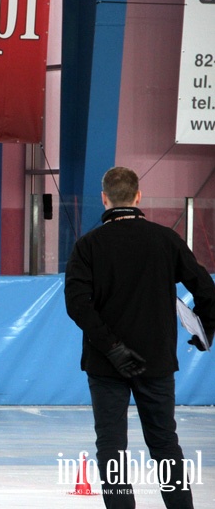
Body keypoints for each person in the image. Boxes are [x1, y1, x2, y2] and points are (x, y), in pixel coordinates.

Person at [64, 166, 215, 509]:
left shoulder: (88, 246)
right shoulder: (166, 239)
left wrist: (113, 348)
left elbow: (77, 306)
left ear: (104, 198)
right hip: (157, 360)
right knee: (164, 443)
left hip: (106, 365)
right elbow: (206, 291)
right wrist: (205, 329)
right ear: (138, 197)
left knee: (111, 448)